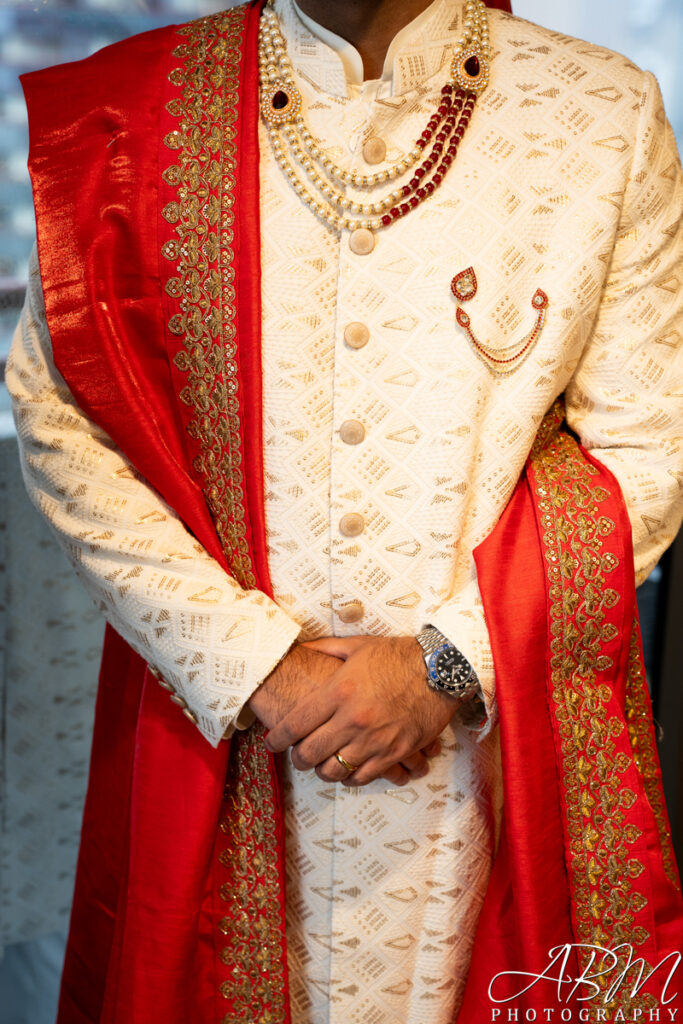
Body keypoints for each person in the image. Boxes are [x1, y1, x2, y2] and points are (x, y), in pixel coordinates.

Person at [7, 0, 683, 1021]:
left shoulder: (597, 112)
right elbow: (64, 416)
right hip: (221, 739)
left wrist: (445, 664)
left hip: (481, 772)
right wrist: (248, 666)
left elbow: (649, 443)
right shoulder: (130, 115)